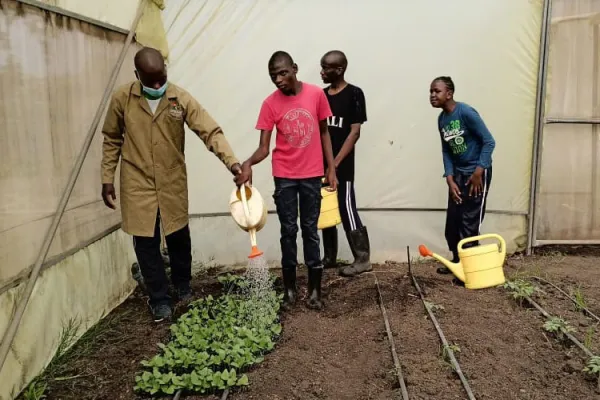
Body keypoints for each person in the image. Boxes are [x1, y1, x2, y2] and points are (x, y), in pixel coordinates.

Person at [101, 47, 248, 322]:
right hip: (137, 181)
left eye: (162, 77)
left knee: (179, 236)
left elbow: (210, 131)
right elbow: (111, 138)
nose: (158, 86)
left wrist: (233, 163)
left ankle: (182, 287)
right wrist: (106, 178)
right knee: (146, 242)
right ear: (137, 75)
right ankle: (159, 299)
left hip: (171, 180)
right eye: (151, 81)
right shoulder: (123, 98)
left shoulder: (179, 98)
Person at [238, 51, 337, 311]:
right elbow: (263, 148)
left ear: (294, 68)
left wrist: (331, 168)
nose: (279, 80)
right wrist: (247, 163)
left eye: (283, 73)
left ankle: (315, 291)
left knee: (310, 231)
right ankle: (290, 291)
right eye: (273, 76)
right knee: (288, 232)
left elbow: (325, 133)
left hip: (312, 174)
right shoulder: (270, 104)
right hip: (284, 176)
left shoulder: (316, 95)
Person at [429, 76, 495, 275]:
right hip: (457, 175)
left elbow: (489, 141)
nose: (432, 95)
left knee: (470, 222)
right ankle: (458, 262)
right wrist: (449, 178)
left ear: (449, 94)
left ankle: (470, 269)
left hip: (476, 174)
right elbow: (446, 150)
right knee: (454, 222)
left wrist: (478, 171)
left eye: (436, 91)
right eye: (431, 92)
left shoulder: (465, 112)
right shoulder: (442, 119)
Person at [319, 50, 372, 277]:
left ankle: (362, 259)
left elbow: (355, 132)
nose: (321, 71)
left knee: (346, 206)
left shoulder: (355, 94)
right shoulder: (321, 96)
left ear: (339, 70)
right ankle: (329, 257)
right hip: (319, 166)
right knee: (325, 207)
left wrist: (335, 164)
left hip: (343, 166)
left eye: (326, 67)